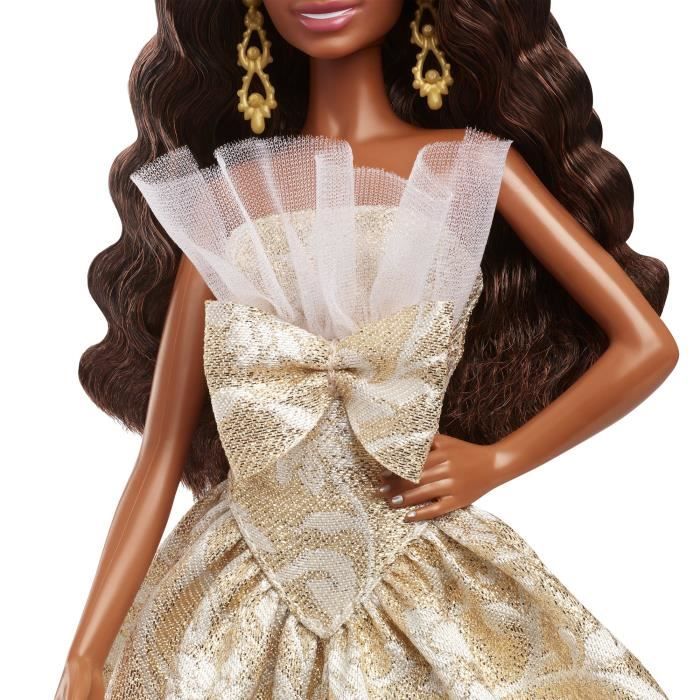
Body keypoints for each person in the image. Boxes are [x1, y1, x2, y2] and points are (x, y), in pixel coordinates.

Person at [55, 1, 677, 698]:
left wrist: (498, 460)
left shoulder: (469, 167)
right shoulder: (229, 197)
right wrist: (86, 654)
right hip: (237, 580)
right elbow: (159, 458)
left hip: (410, 542)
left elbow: (644, 345)